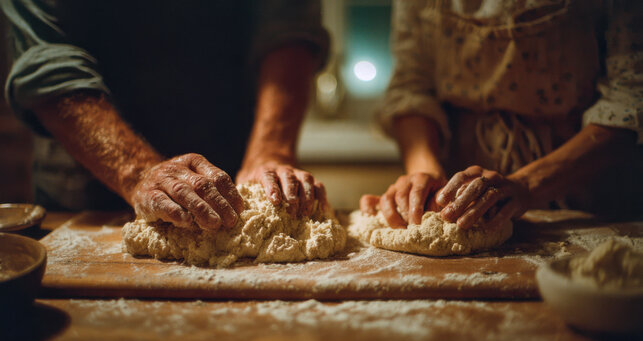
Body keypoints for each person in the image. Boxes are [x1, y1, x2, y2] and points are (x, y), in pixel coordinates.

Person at [2, 0, 329, 230]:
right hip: (88, 182)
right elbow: (47, 58)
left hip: (235, 158)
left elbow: (289, 25)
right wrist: (136, 172)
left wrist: (271, 148)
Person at [361, 0, 642, 229]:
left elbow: (629, 100)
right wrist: (425, 169)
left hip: (582, 189)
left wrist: (527, 184)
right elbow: (411, 87)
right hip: (458, 188)